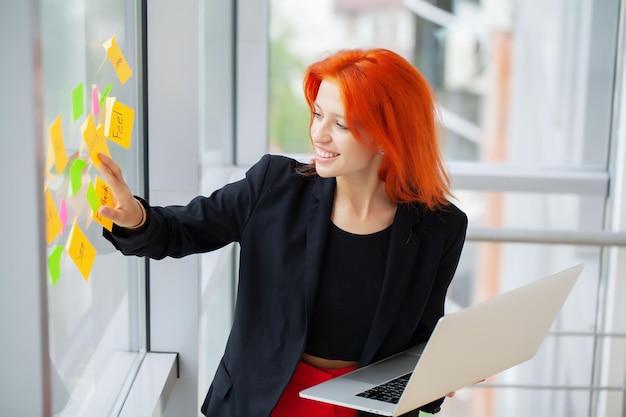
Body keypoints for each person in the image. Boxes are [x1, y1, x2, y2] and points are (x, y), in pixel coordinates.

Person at [97, 47, 468, 417]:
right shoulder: (274, 187)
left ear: (389, 135)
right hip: (264, 399)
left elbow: (420, 339)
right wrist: (135, 217)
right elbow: (181, 229)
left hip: (363, 409)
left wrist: (443, 373)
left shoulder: (440, 227)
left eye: (340, 124)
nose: (318, 135)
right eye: (318, 114)